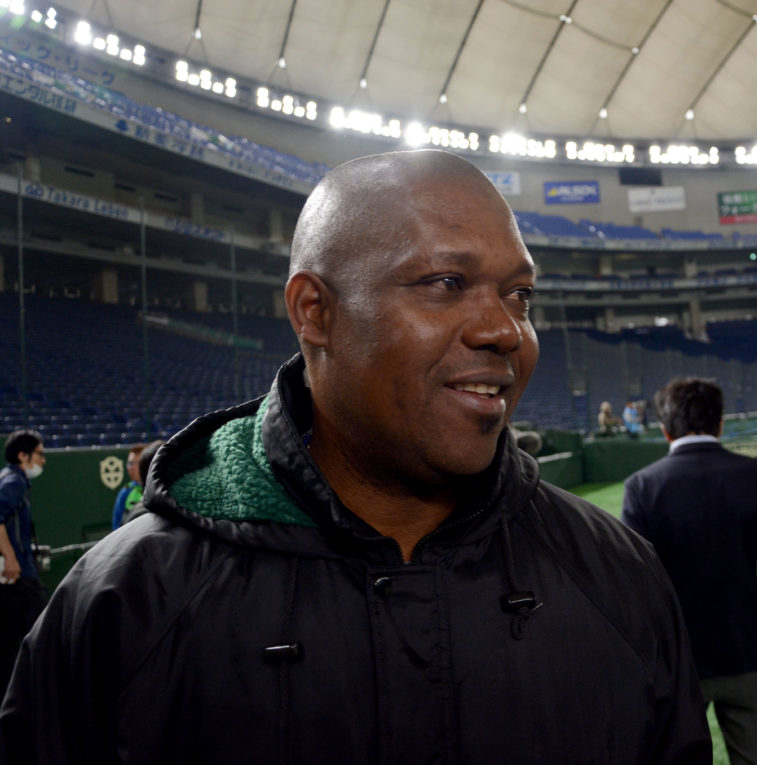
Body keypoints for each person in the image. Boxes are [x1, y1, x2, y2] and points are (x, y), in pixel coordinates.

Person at [0, 150, 712, 763]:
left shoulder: (619, 574)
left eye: (519, 294)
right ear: (315, 311)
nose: (504, 329)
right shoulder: (123, 601)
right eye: (446, 283)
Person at [622, 377, 757, 765]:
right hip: (746, 649)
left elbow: (633, 581)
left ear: (666, 429)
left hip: (677, 661)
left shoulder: (641, 486)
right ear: (720, 423)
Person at [0, 430, 48, 693]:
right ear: (23, 455)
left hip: (15, 578)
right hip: (19, 577)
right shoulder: (14, 482)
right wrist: (11, 557)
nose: (43, 460)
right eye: (40, 454)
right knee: (44, 628)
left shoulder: (9, 479)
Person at [110, 443, 145, 529]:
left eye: (133, 463)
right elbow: (116, 523)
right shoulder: (126, 491)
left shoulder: (155, 488)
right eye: (129, 463)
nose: (130, 468)